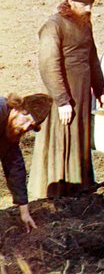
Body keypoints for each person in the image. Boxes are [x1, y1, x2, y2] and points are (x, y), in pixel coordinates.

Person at [29, 0, 104, 201]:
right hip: (63, 94)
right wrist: (62, 100)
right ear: (71, 1)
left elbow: (92, 57)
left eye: (91, 3)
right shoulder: (54, 25)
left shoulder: (85, 23)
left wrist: (101, 91)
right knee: (62, 136)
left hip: (83, 93)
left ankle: (79, 184)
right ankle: (55, 190)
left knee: (79, 136)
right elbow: (48, 64)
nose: (89, 8)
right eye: (84, 4)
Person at [1, 93, 50, 231]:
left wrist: (24, 211)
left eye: (30, 126)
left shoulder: (10, 132)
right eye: (26, 120)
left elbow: (15, 168)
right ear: (18, 108)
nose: (25, 127)